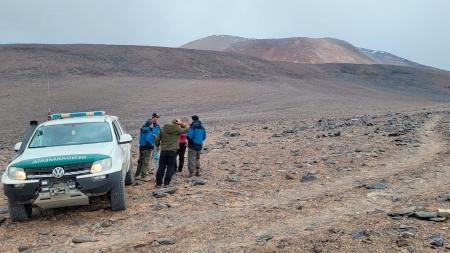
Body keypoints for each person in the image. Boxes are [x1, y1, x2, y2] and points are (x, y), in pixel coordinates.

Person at [155, 118, 187, 187]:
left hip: (164, 151)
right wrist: (181, 123)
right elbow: (187, 129)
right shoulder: (178, 130)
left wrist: (157, 146)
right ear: (177, 123)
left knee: (161, 167)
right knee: (170, 167)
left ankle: (158, 183)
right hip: (172, 151)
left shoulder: (163, 128)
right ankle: (166, 183)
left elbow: (157, 139)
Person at [135, 113, 160, 179]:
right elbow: (150, 138)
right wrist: (151, 145)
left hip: (142, 146)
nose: (156, 119)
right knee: (146, 161)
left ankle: (138, 174)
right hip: (147, 146)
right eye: (156, 117)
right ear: (153, 117)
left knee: (141, 161)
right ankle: (143, 176)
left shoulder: (144, 128)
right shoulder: (149, 129)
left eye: (157, 118)